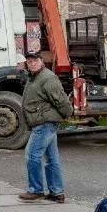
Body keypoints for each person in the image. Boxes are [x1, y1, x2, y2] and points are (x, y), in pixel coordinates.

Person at [18, 51, 73, 203]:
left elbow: (60, 99)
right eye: (29, 61)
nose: (32, 63)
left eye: (35, 60)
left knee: (32, 155)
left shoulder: (47, 78)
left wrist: (68, 113)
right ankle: (57, 192)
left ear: (41, 61)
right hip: (44, 121)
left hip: (44, 123)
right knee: (51, 158)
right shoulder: (34, 77)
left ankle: (35, 190)